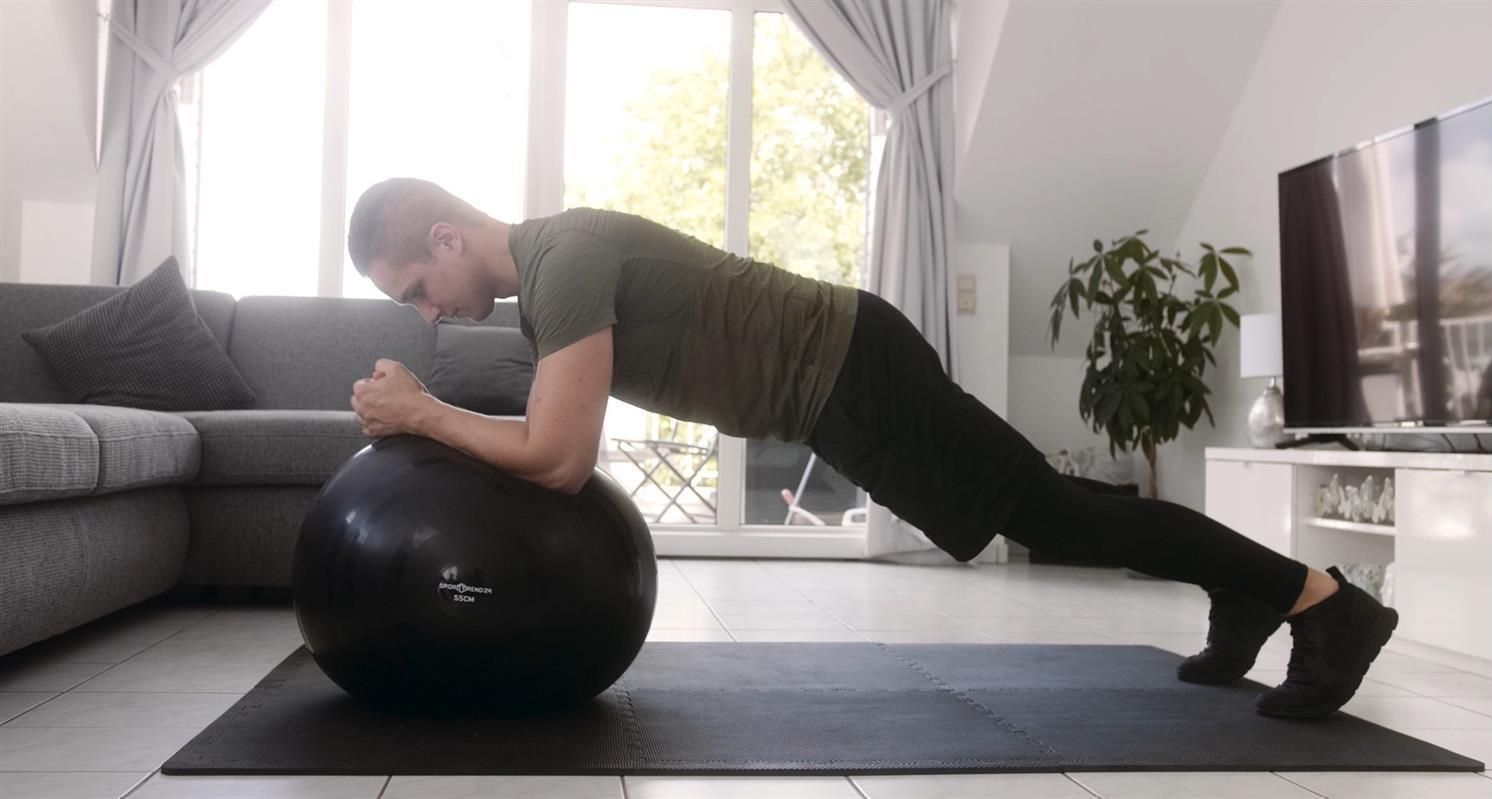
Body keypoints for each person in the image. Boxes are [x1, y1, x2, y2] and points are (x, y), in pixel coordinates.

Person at [345, 177, 1398, 720]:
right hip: (845, 381)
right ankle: (1250, 594)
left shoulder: (563, 264)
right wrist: (427, 411)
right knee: (1051, 516)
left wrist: (422, 413)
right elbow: (547, 439)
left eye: (417, 289)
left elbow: (559, 457)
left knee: (1057, 516)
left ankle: (1321, 603)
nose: (427, 313)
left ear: (445, 238)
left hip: (853, 370)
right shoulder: (548, 287)